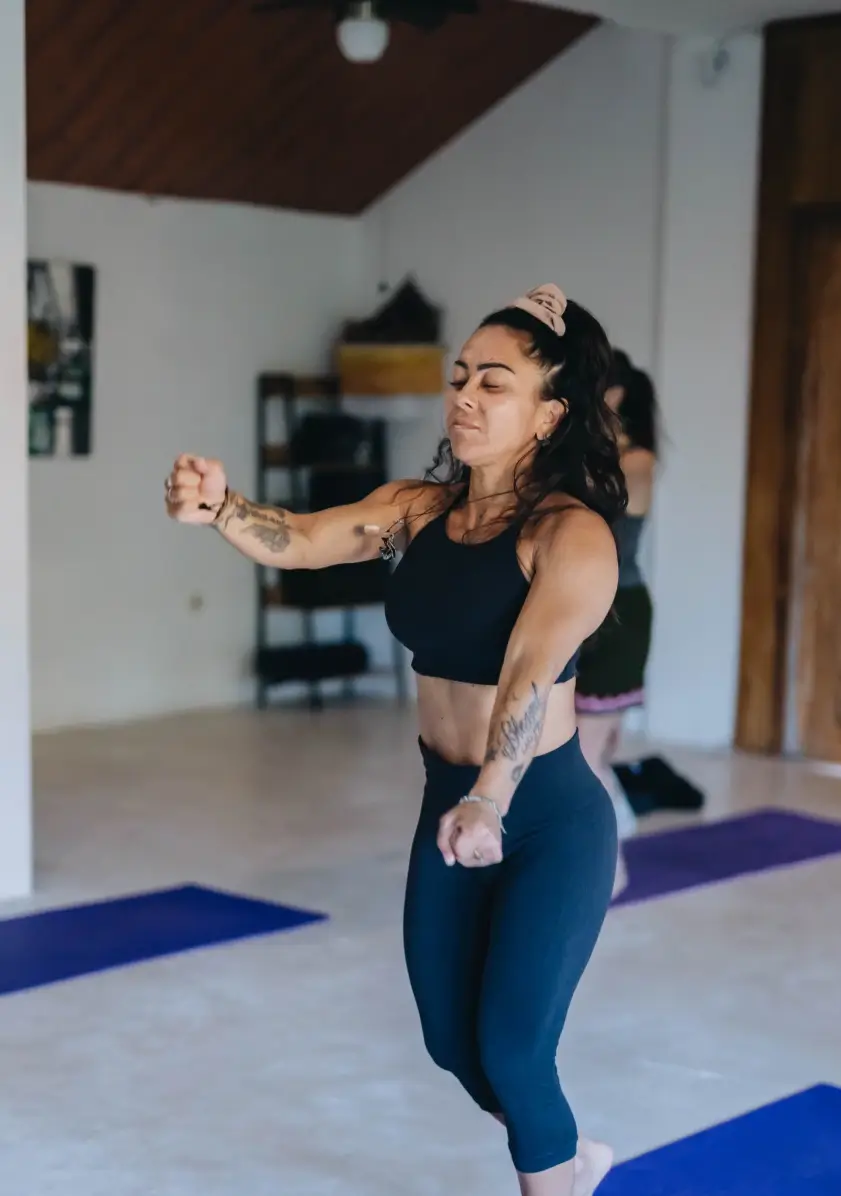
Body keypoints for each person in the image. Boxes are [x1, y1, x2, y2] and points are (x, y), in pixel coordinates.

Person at [165, 284, 623, 1196]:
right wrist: (220, 508)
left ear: (549, 414)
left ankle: (555, 1177)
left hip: (545, 815)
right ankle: (567, 1156)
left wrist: (490, 798)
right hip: (446, 801)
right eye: (460, 376)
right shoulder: (419, 512)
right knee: (451, 1042)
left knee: (513, 1043)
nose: (463, 395)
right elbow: (299, 538)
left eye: (494, 383)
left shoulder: (570, 535)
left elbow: (529, 673)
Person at [575, 351, 657, 895]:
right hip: (579, 610)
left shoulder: (636, 462)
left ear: (619, 397)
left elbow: (592, 493)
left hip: (619, 614)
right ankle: (600, 857)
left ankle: (609, 867)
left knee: (585, 756)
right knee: (578, 753)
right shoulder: (585, 455)